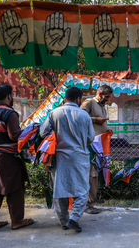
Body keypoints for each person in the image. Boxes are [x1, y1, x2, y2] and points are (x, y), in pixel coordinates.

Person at [40, 87, 95, 232]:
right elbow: (90, 138)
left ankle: (64, 221)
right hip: (79, 157)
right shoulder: (84, 115)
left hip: (59, 157)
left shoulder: (54, 113)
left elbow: (43, 132)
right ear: (78, 99)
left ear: (65, 98)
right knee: (82, 190)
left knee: (60, 189)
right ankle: (74, 218)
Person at [0, 84, 34, 232]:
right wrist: (29, 131)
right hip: (7, 157)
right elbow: (14, 135)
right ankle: (17, 220)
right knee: (15, 188)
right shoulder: (9, 113)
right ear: (9, 96)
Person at [81, 85, 113, 214]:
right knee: (92, 173)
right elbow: (79, 117)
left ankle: (94, 197)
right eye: (106, 96)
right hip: (91, 145)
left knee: (98, 172)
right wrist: (96, 120)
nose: (108, 99)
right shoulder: (89, 103)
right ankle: (88, 203)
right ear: (100, 94)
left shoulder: (101, 105)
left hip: (100, 145)